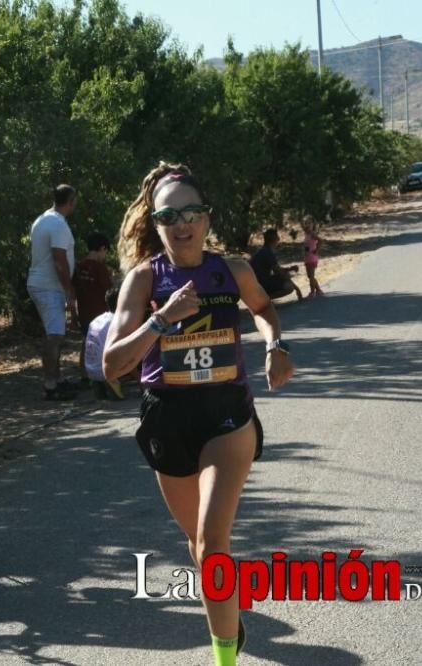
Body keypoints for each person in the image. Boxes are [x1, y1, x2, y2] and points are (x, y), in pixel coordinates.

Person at [103, 162, 294, 666]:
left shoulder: (231, 271)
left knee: (212, 542)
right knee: (198, 544)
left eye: (192, 212)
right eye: (170, 214)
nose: (182, 223)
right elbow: (112, 366)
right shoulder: (144, 280)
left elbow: (263, 309)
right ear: (156, 222)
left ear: (207, 218)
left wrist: (276, 344)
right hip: (168, 418)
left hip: (227, 414)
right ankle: (227, 613)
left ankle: (223, 658)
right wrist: (162, 320)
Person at [27, 184, 79, 400]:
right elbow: (59, 259)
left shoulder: (42, 219)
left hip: (42, 284)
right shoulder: (58, 224)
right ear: (70, 201)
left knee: (53, 333)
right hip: (49, 287)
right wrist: (69, 290)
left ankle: (57, 379)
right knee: (55, 336)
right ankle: (50, 385)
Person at [74, 231, 113, 383]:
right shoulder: (100, 268)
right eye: (106, 252)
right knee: (103, 343)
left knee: (86, 342)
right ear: (102, 248)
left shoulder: (79, 267)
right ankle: (104, 373)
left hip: (83, 311)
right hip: (99, 313)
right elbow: (109, 289)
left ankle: (84, 374)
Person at [83, 288, 123, 400]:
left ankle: (100, 384)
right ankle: (112, 381)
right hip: (105, 370)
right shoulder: (117, 322)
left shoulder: (97, 319)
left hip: (90, 370)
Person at [249, 228, 303, 302]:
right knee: (289, 286)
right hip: (261, 284)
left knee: (285, 275)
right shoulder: (268, 253)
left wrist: (289, 269)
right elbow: (279, 272)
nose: (279, 238)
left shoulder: (263, 251)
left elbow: (277, 269)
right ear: (274, 239)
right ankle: (265, 300)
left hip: (256, 284)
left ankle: (263, 298)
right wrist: (297, 288)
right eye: (277, 237)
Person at [301, 215, 324, 298]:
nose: (307, 225)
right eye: (305, 223)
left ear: (313, 224)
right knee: (310, 275)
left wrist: (317, 250)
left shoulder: (312, 234)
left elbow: (321, 240)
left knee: (311, 276)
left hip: (312, 257)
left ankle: (312, 292)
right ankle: (318, 290)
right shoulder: (306, 233)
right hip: (307, 257)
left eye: (309, 223)